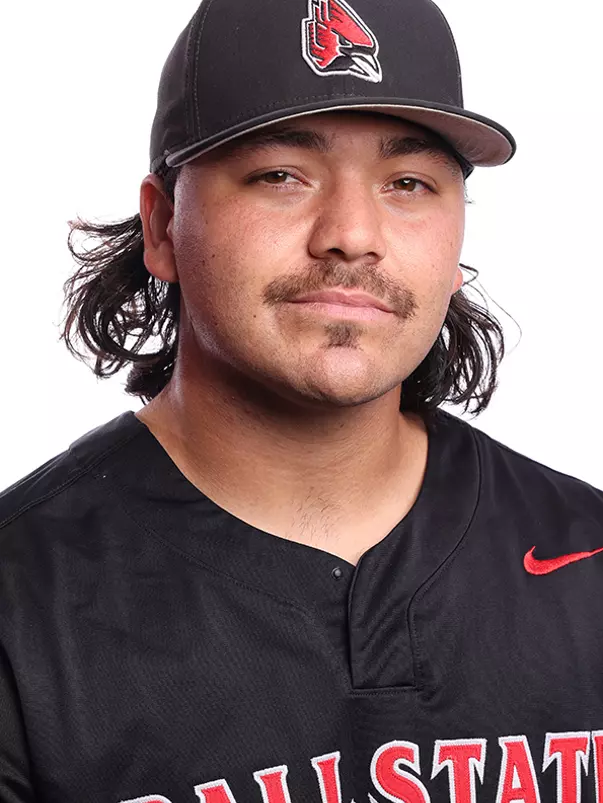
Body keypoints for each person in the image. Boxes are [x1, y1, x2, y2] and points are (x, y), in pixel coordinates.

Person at [1, 0, 603, 801]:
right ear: (161, 227)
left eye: (409, 182)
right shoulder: (21, 606)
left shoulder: (587, 561)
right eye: (280, 174)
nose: (352, 233)